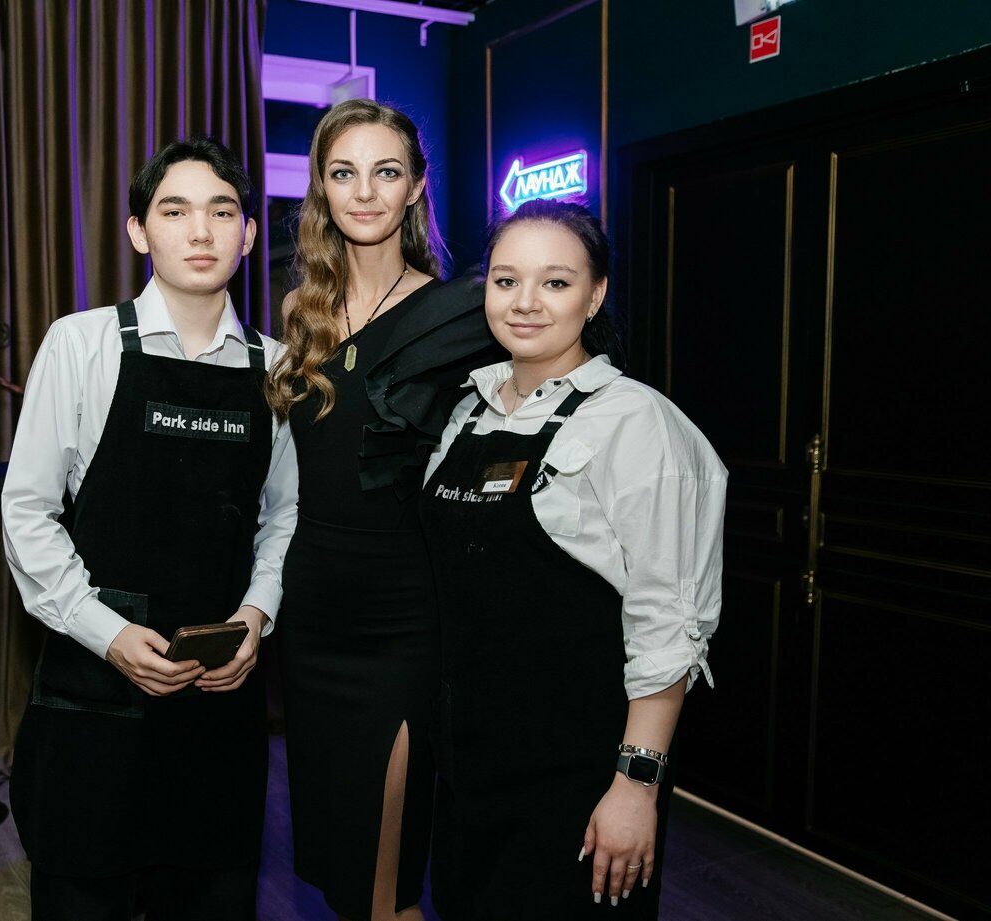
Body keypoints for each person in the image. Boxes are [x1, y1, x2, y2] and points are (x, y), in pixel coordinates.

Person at [1, 137, 298, 921]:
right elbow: (26, 512)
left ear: (248, 234)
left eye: (222, 212)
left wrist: (255, 615)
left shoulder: (277, 367)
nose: (200, 231)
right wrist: (107, 634)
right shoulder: (81, 343)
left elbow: (286, 515)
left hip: (219, 704)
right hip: (94, 697)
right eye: (175, 211)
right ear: (139, 230)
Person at [417, 199, 726, 920]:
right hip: (468, 764)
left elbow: (668, 623)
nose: (525, 302)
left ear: (595, 295)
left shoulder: (637, 421)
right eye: (506, 281)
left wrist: (636, 785)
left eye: (555, 282)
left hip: (580, 774)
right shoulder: (468, 413)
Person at [265, 99, 500, 921]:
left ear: (417, 187)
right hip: (311, 612)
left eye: (386, 171)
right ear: (321, 189)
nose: (364, 192)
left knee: (388, 876)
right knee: (339, 859)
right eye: (344, 172)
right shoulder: (300, 314)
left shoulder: (463, 313)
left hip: (405, 612)